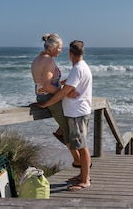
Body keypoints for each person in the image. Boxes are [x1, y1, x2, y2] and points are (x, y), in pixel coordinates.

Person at [38, 40, 92, 191]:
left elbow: (65, 91)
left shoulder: (78, 69)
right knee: (77, 144)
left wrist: (47, 103)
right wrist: (59, 84)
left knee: (82, 147)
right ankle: (81, 176)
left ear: (70, 53)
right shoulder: (81, 67)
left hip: (77, 113)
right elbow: (67, 85)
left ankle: (85, 180)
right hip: (77, 112)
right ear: (82, 52)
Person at [30, 33, 79, 166]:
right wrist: (64, 93)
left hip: (41, 95)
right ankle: (78, 160)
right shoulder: (49, 61)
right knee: (67, 127)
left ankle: (59, 133)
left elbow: (46, 82)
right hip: (49, 96)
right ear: (52, 47)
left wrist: (66, 83)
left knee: (70, 116)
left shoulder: (38, 58)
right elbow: (47, 85)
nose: (61, 50)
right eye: (59, 47)